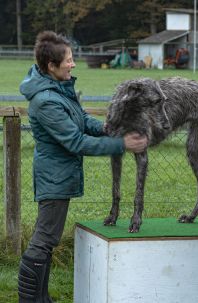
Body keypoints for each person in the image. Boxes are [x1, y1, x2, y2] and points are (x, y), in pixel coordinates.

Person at [17, 31, 147, 303]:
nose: (73, 64)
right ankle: (31, 300)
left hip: (60, 176)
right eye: (69, 60)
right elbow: (76, 142)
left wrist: (106, 128)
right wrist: (121, 144)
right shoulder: (45, 101)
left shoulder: (57, 88)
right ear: (51, 66)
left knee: (48, 241)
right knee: (43, 240)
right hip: (54, 179)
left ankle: (41, 299)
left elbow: (80, 119)